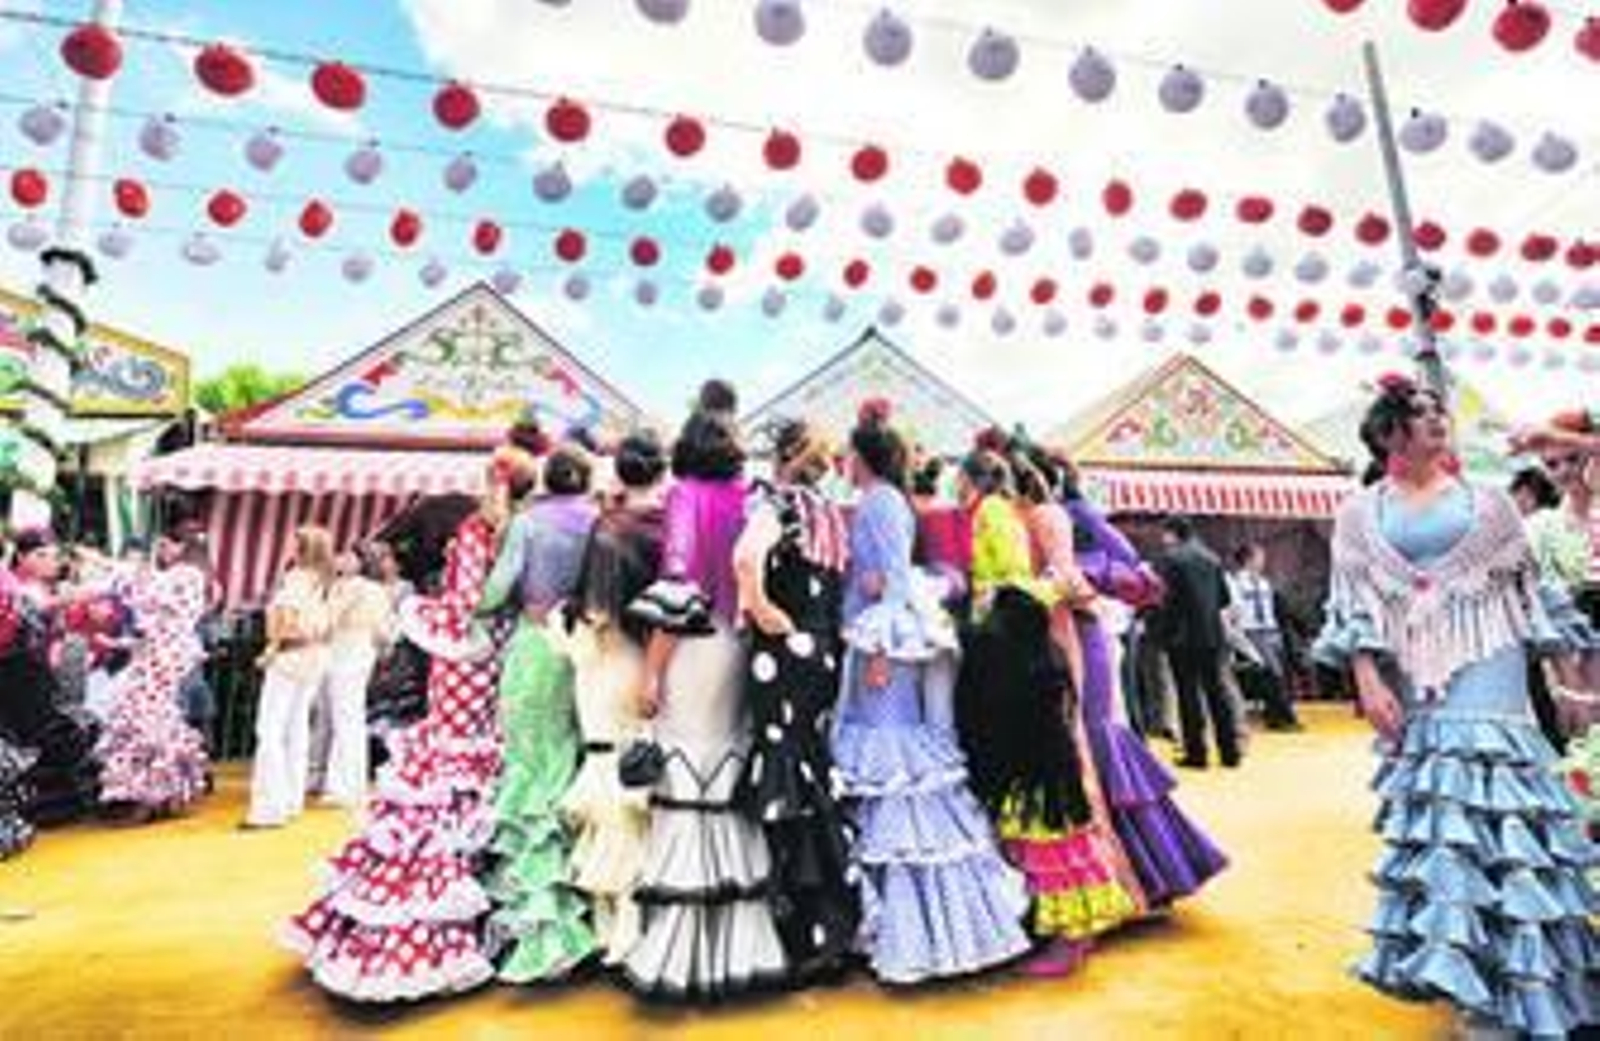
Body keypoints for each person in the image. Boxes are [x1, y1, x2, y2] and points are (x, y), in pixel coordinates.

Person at [1317, 374, 1599, 1039]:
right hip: (1412, 665)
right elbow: (1353, 599)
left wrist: (1565, 681)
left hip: (1492, 654)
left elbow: (1529, 594)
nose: (1437, 419)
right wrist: (1366, 674)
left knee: (1502, 802)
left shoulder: (1491, 501)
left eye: (1438, 409)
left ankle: (1526, 983)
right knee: (1444, 809)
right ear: (1389, 433)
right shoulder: (1358, 513)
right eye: (1419, 412)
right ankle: (1467, 979)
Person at [284, 441, 538, 1001]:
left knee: (444, 775)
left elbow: (467, 603)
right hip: (506, 659)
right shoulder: (525, 529)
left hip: (464, 667)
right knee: (480, 773)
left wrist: (421, 609)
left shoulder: (477, 530)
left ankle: (422, 921)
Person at [830, 402, 1030, 985]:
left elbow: (891, 579)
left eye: (848, 453)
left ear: (862, 458)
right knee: (888, 767)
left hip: (883, 650)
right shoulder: (885, 500)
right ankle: (896, 919)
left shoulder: (882, 503)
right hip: (881, 641)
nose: (843, 461)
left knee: (893, 767)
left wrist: (878, 651)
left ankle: (910, 926)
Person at [621, 393, 788, 1001]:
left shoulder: (683, 496)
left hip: (694, 649)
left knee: (686, 772)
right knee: (724, 771)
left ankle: (683, 950)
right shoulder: (750, 497)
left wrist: (651, 675)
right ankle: (741, 941)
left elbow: (678, 588)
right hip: (741, 647)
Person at [956, 446, 1137, 976]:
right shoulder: (1012, 514)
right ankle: (1072, 925)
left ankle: (1071, 930)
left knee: (1040, 801)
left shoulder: (992, 514)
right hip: (1033, 658)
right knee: (1047, 794)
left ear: (973, 482)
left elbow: (1009, 587)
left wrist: (987, 610)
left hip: (1016, 661)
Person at [1057, 465, 1229, 909]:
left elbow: (1136, 579)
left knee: (1097, 741)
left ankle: (1133, 873)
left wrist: (1084, 578)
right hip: (1086, 638)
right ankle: (1150, 868)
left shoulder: (1068, 515)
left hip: (1081, 638)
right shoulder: (1081, 516)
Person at [732, 418, 859, 981]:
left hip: (781, 652)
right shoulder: (827, 513)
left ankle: (799, 929)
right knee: (812, 768)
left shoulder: (776, 504)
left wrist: (758, 605)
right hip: (823, 651)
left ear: (780, 456)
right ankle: (829, 924)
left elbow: (744, 557)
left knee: (785, 769)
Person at [477, 443, 600, 983]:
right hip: (593, 648)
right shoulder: (598, 520)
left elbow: (498, 589)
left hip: (536, 647)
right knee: (578, 764)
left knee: (531, 769)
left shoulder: (528, 523)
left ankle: (543, 931)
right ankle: (590, 911)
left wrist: (475, 600)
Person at [561, 429, 666, 965]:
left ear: (622, 475)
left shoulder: (611, 530)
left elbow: (597, 616)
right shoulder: (673, 526)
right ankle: (651, 919)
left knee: (613, 787)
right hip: (666, 665)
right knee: (650, 788)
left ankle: (618, 931)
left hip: (615, 663)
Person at [97, 528, 211, 822]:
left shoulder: (186, 574)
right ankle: (162, 791)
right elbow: (156, 617)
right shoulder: (189, 575)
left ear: (182, 546)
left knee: (140, 716)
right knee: (152, 716)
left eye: (165, 545)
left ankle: (145, 793)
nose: (161, 551)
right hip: (162, 653)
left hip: (162, 656)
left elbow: (147, 593)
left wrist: (115, 570)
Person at [0, 528, 97, 825]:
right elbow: (22, 615)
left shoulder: (40, 589)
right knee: (32, 735)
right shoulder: (15, 586)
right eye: (41, 555)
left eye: (53, 555)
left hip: (36, 672)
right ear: (20, 556)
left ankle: (42, 806)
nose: (50, 562)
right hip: (15, 671)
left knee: (43, 737)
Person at [242, 527, 333, 829]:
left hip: (290, 657)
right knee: (296, 729)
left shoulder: (295, 578)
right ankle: (291, 799)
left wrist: (272, 646)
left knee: (269, 730)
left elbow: (286, 620)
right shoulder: (325, 581)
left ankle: (269, 807)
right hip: (315, 657)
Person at [1150, 516, 1241, 769]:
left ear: (1172, 533)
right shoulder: (1212, 559)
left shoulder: (1170, 560)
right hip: (1212, 635)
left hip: (1181, 637)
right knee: (1217, 693)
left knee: (1188, 695)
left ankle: (1197, 753)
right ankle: (1230, 751)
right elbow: (1224, 600)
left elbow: (1164, 602)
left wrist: (1160, 632)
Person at [308, 550, 391, 808]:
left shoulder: (347, 587)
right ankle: (347, 783)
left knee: (336, 717)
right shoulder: (378, 590)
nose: (340, 559)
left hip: (343, 651)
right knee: (348, 718)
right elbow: (385, 631)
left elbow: (329, 619)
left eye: (347, 555)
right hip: (361, 652)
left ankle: (336, 784)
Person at [1227, 543, 1301, 732]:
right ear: (1248, 559)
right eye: (1259, 556)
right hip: (1252, 631)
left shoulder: (1264, 582)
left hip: (1271, 631)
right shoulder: (1235, 582)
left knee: (1279, 674)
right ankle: (1283, 717)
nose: (1262, 561)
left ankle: (1277, 715)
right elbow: (1233, 610)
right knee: (1273, 673)